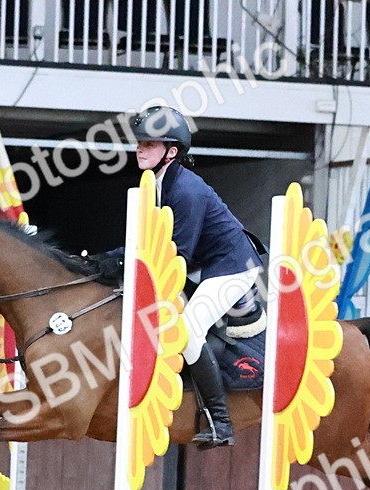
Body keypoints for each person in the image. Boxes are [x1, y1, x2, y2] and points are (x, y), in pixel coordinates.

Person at [103, 106, 263, 449]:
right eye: (140, 142)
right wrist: (109, 258)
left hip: (230, 266)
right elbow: (151, 243)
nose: (140, 148)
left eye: (150, 143)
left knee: (187, 330)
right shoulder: (158, 183)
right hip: (205, 264)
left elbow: (176, 254)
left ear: (171, 151)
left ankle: (221, 422)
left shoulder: (186, 190)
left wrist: (120, 261)